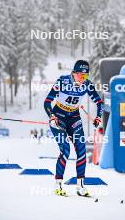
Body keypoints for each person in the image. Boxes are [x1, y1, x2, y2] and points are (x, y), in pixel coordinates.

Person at [44, 60, 104, 196]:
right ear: (74, 73)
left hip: (74, 119)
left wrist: (98, 117)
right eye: (80, 76)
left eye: (86, 76)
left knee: (81, 149)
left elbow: (99, 102)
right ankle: (58, 184)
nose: (83, 79)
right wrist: (52, 116)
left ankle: (80, 186)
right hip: (59, 117)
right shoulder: (62, 81)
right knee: (65, 149)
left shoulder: (87, 85)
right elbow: (47, 101)